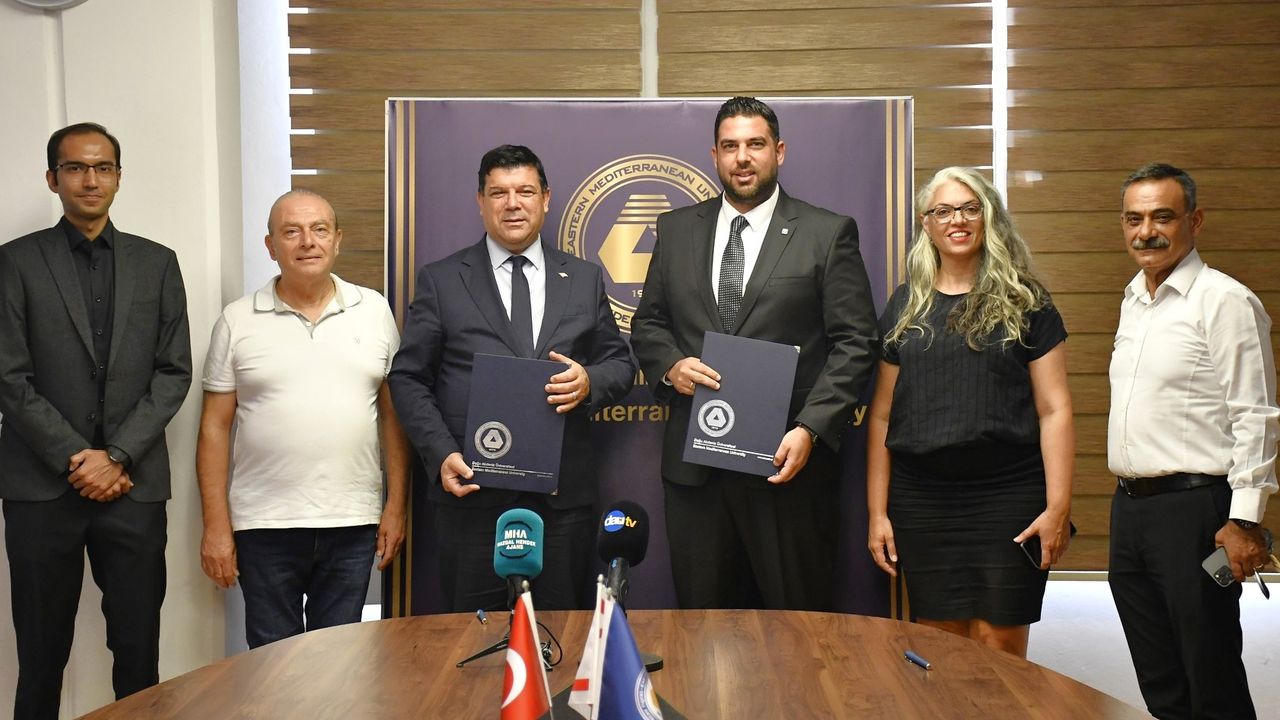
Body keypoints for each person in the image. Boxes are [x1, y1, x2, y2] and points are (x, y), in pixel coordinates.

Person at [630, 97, 879, 611]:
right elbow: (649, 324)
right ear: (715, 155)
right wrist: (670, 366)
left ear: (779, 151)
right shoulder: (675, 230)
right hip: (696, 475)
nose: (742, 157)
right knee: (703, 630)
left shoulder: (826, 233)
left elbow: (856, 342)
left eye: (755, 144)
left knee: (796, 628)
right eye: (730, 146)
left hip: (787, 469)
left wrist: (810, 428)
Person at [388, 144, 633, 612]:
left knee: (560, 635)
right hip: (473, 494)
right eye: (498, 193)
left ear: (546, 198)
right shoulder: (442, 280)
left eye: (525, 191)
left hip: (562, 501)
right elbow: (408, 377)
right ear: (480, 202)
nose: (512, 203)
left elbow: (619, 363)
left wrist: (589, 381)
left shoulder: (583, 278)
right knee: (472, 636)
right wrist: (441, 454)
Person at [0, 123, 192, 719]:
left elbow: (174, 372)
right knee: (40, 656)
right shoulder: (14, 262)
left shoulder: (157, 263)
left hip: (133, 487)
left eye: (103, 167)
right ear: (52, 178)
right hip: (40, 488)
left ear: (118, 177)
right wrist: (76, 457)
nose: (90, 179)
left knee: (138, 653)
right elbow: (9, 376)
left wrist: (117, 455)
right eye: (76, 168)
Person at [865, 166, 1075, 658]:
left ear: (989, 217)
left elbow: (1055, 410)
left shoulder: (1027, 302)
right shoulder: (904, 307)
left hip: (1009, 496)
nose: (956, 220)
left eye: (969, 208)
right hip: (923, 501)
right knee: (943, 648)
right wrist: (877, 513)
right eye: (942, 211)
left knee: (999, 644)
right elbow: (881, 418)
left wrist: (1058, 508)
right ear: (926, 224)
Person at [196, 190, 409, 648]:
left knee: (340, 663)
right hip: (263, 526)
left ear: (338, 240)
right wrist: (215, 526)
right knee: (274, 666)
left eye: (319, 230)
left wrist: (396, 507)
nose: (307, 242)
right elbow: (214, 428)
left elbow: (393, 418)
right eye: (291, 231)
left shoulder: (374, 311)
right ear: (271, 246)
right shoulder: (237, 320)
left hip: (352, 523)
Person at [1108, 163, 1277, 719]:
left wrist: (1245, 521)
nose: (1146, 232)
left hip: (1199, 514)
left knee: (1212, 672)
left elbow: (1256, 414)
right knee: (1160, 679)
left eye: (1162, 217)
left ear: (1194, 221)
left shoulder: (1224, 300)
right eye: (1134, 219)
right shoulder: (1133, 300)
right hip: (1130, 513)